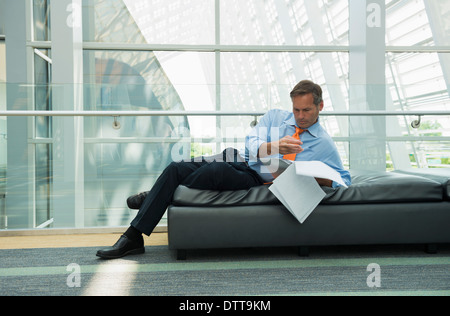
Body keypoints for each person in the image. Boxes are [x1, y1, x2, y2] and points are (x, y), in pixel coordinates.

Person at [96, 80, 351, 259]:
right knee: (176, 167)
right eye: (296, 109)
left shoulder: (323, 144)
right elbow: (250, 144)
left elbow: (342, 181)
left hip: (255, 178)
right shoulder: (275, 117)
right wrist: (273, 147)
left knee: (215, 171)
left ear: (320, 106)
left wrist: (313, 176)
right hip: (239, 158)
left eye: (306, 110)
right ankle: (135, 238)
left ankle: (145, 209)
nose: (300, 116)